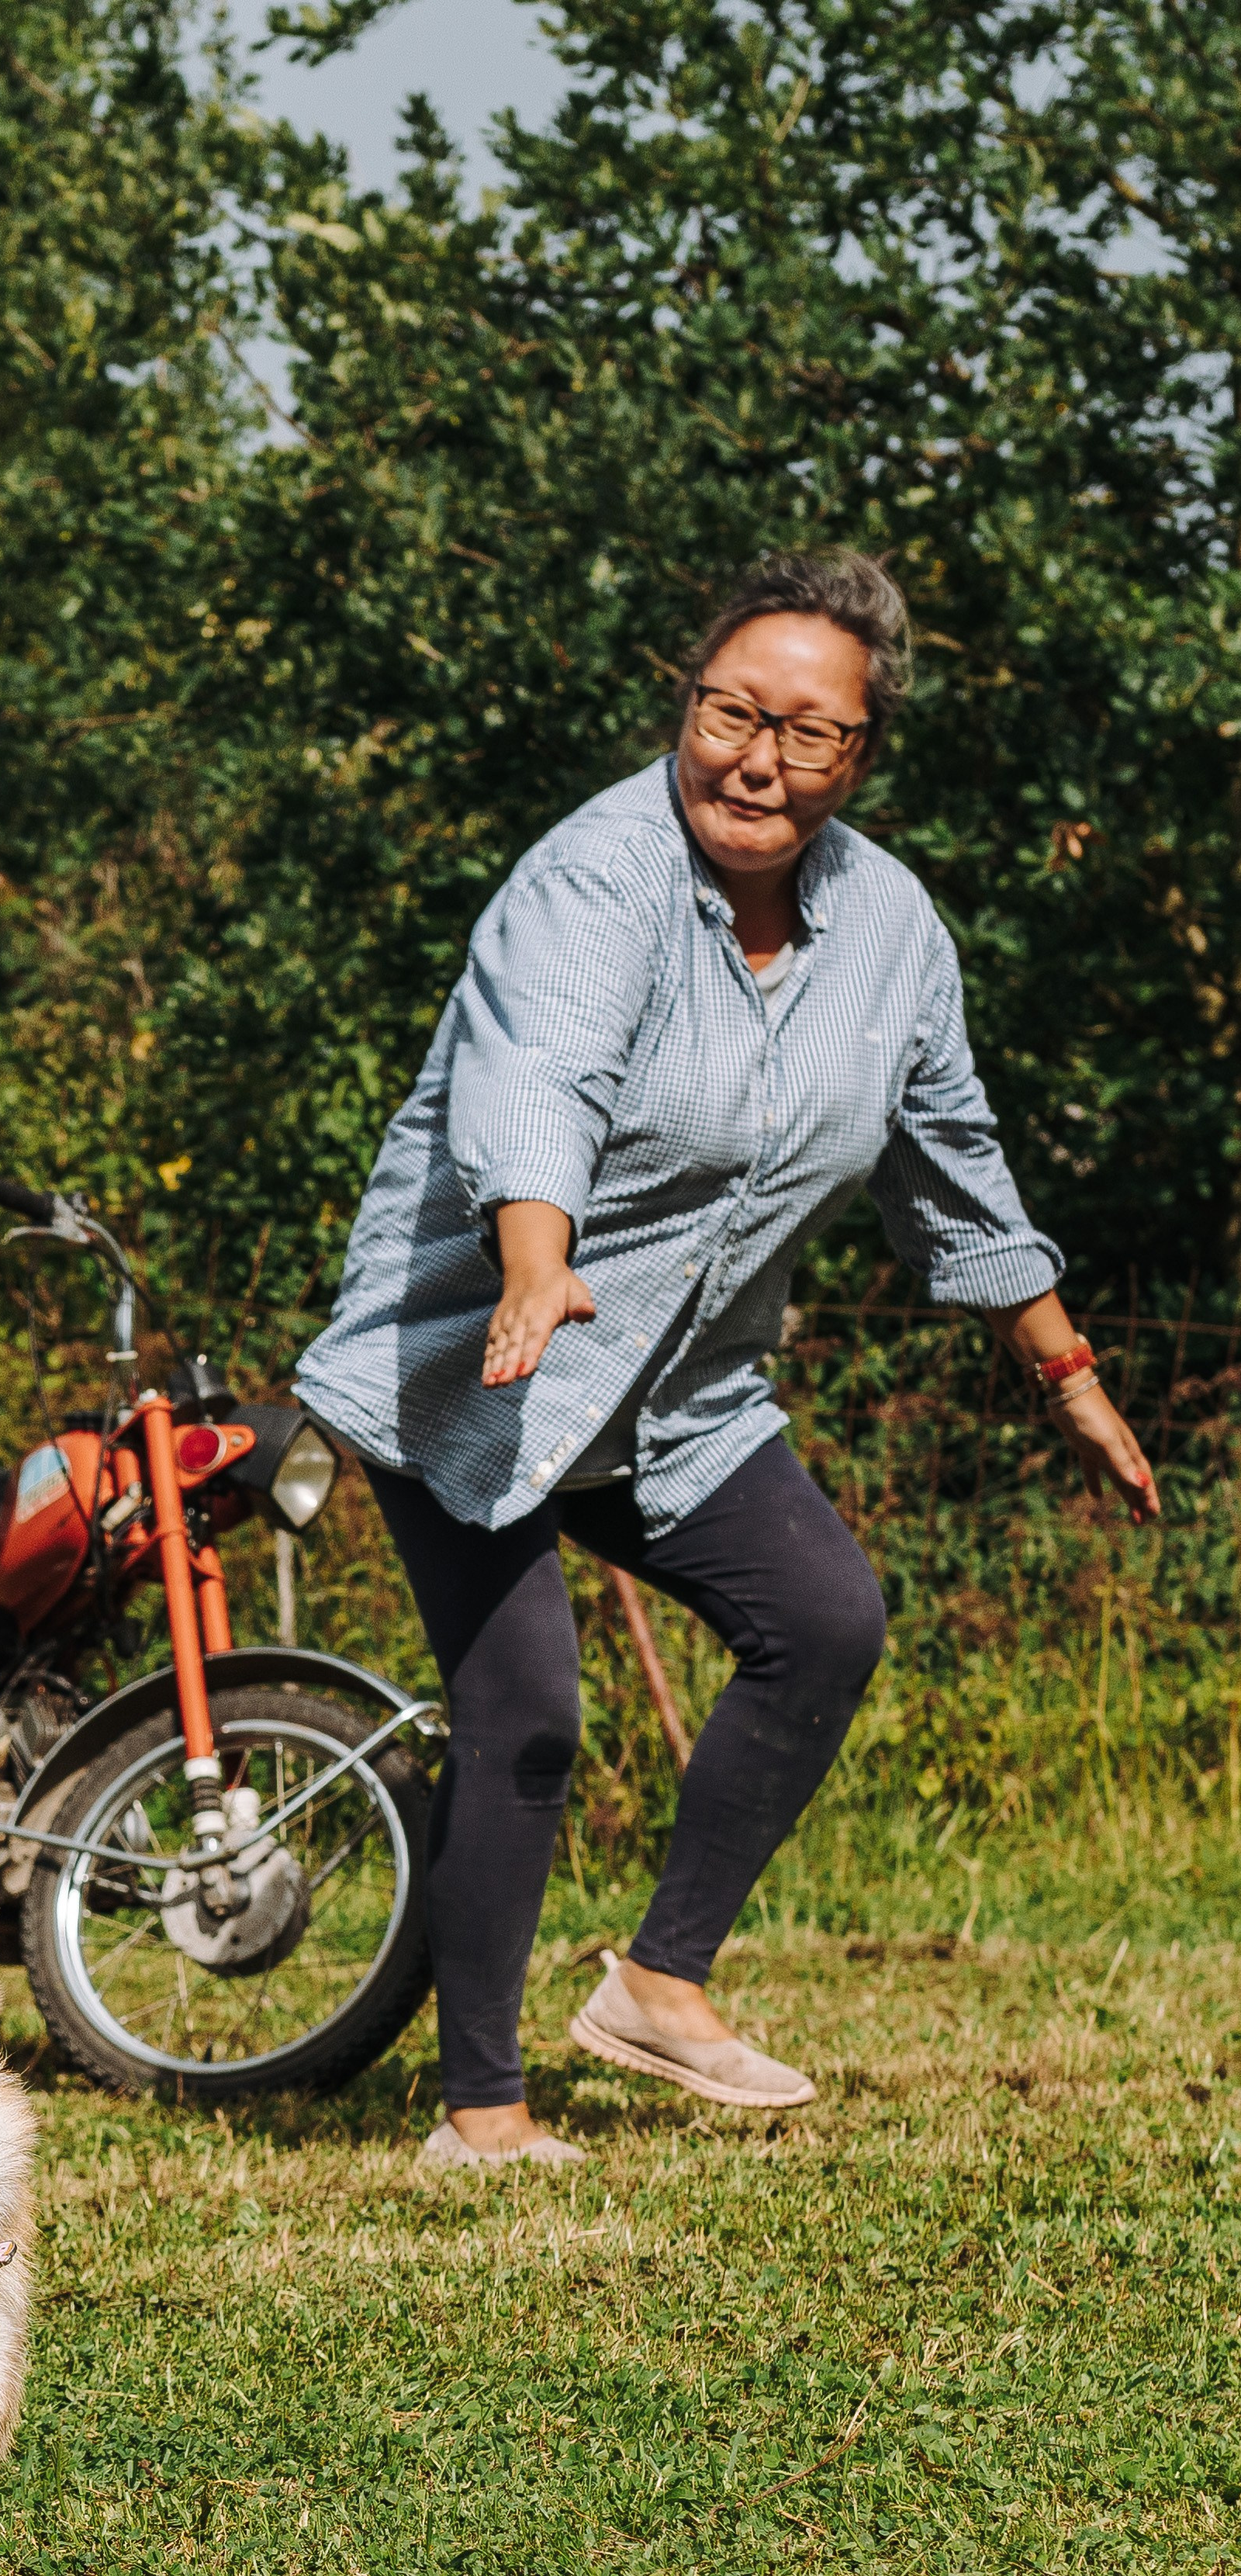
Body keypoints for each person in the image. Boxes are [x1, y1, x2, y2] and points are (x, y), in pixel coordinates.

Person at [296, 550, 1156, 2167]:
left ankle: (657, 1982)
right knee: (528, 1712)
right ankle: (481, 2110)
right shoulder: (594, 877)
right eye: (728, 714)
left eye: (806, 732)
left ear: (861, 754)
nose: (757, 760)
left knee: (823, 1620)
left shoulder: (890, 931)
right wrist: (535, 1262)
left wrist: (1067, 1376)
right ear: (684, 706)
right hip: (480, 1364)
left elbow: (948, 1157)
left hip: (678, 1391)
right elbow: (536, 1076)